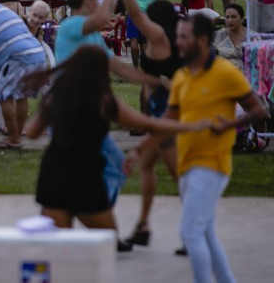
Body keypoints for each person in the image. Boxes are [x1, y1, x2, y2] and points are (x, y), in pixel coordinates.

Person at [126, 14, 269, 282]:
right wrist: (140, 149)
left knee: (190, 231)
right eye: (177, 36)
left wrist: (231, 124)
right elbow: (166, 121)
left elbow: (259, 110)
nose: (177, 41)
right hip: (187, 163)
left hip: (213, 164)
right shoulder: (181, 77)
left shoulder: (226, 74)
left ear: (202, 40)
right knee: (205, 231)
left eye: (183, 37)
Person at [27, 46, 210, 241]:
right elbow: (149, 123)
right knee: (108, 240)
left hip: (52, 174)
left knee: (59, 246)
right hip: (85, 176)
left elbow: (31, 133)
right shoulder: (104, 101)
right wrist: (193, 126)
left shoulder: (56, 96)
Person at [55, 0, 165, 251]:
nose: (100, 2)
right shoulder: (70, 27)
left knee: (114, 168)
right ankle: (96, 224)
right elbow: (103, 19)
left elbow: (116, 66)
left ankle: (96, 221)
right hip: (74, 115)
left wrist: (155, 80)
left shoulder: (90, 36)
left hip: (90, 115)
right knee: (99, 170)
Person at [120, 0, 183, 248]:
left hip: (167, 116)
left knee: (178, 174)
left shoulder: (159, 38)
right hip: (158, 114)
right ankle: (143, 225)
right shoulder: (166, 40)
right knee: (147, 166)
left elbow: (134, 13)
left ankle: (195, 231)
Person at [0, 0, 47, 148]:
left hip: (17, 57)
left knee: (5, 96)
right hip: (36, 53)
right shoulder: (9, 12)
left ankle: (14, 138)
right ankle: (17, 137)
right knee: (21, 96)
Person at [124, 0, 167, 68]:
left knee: (134, 41)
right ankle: (148, 67)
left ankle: (135, 68)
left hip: (133, 11)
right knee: (148, 41)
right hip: (149, 12)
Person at [213, 3, 246, 69]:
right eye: (227, 17)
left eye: (233, 17)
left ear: (242, 19)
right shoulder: (219, 35)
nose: (230, 20)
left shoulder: (251, 37)